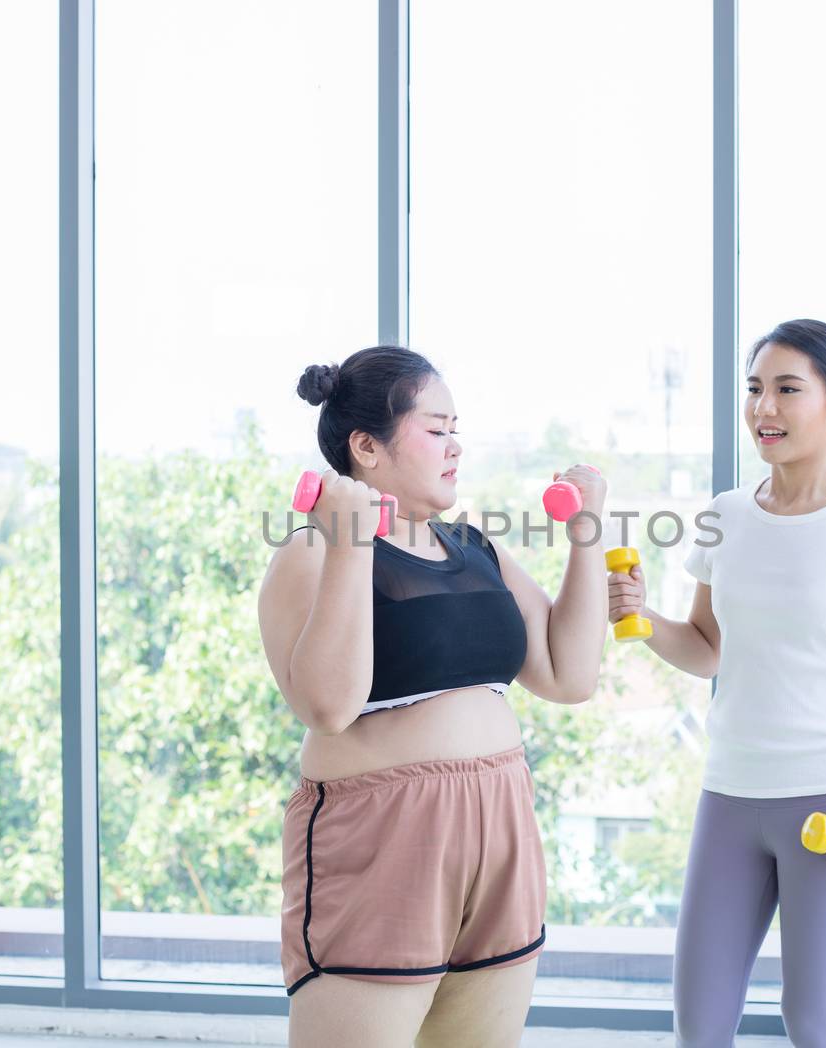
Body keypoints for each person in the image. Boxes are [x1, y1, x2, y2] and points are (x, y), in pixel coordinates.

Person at [257, 345, 607, 1048]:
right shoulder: (312, 551)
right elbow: (327, 706)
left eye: (457, 428)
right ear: (367, 447)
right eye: (437, 427)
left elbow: (569, 675)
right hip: (386, 837)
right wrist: (353, 540)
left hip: (500, 825)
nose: (456, 445)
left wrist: (586, 536)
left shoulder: (476, 547)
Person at [609, 319, 826, 1048]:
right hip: (730, 794)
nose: (764, 410)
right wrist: (641, 618)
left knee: (813, 1023)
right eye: (755, 390)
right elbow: (706, 648)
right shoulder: (725, 515)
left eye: (788, 390)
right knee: (701, 1024)